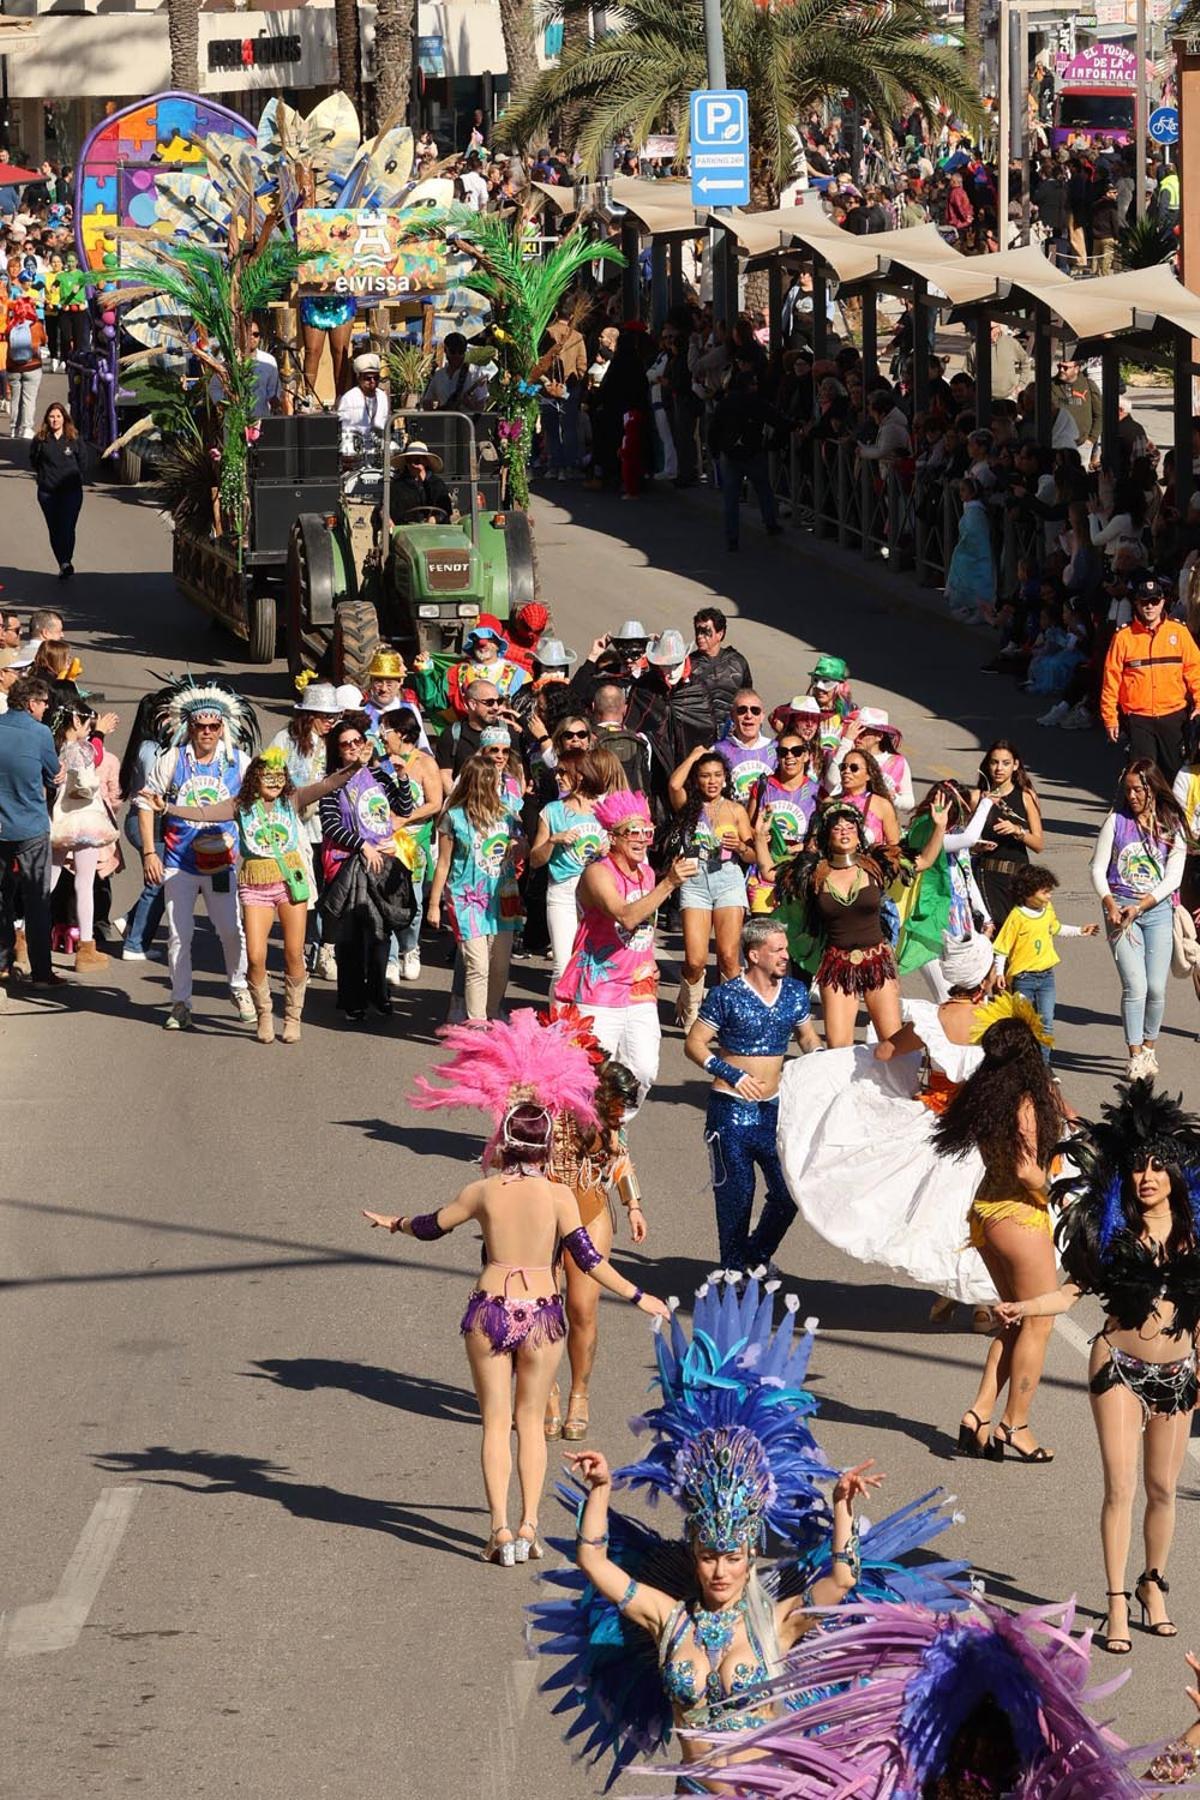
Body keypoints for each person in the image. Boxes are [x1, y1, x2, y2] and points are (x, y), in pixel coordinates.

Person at [364, 1012, 669, 1564]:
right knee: (531, 1424)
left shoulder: (483, 1190)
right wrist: (638, 1295)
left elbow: (431, 1226)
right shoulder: (557, 1197)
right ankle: (530, 1527)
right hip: (541, 1317)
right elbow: (588, 1259)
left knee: (494, 1425)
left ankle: (499, 1530)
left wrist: (394, 1223)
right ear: (547, 1142)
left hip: (490, 1312)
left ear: (504, 1142)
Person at [997, 1082, 1200, 1656]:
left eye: (1159, 1168)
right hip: (1118, 1365)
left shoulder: (1196, 1234)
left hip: (1179, 1373)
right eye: (1139, 1168)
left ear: (1176, 1175)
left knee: (1162, 1488)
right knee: (1121, 1487)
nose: (1148, 1177)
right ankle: (1115, 1599)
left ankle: (1151, 1584)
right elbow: (1067, 1296)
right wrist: (1022, 1307)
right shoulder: (1110, 1233)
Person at [933, 999, 1067, 1463]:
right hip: (1019, 1214)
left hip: (987, 1212)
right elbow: (1029, 1172)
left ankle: (979, 1414)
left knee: (1013, 1320)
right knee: (1039, 1321)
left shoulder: (988, 1097)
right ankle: (1017, 1424)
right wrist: (1058, 1197)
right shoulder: (1026, 1103)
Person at [155, 746, 356, 1043]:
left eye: (278, 776)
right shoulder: (241, 806)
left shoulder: (292, 799)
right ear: (255, 778)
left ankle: (292, 1017)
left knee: (292, 952)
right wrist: (168, 808)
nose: (274, 782)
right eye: (267, 776)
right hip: (254, 885)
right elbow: (203, 812)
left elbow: (328, 784)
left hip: (290, 882)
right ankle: (264, 1014)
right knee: (256, 955)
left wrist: (356, 766)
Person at [685, 918, 819, 1270]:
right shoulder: (725, 996)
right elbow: (694, 1044)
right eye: (778, 950)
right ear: (754, 954)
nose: (786, 956)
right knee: (736, 1197)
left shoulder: (794, 992)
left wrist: (820, 1059)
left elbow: (806, 1037)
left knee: (788, 1195)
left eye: (785, 949)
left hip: (774, 1112)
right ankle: (732, 1271)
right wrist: (730, 1073)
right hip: (730, 1112)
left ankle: (755, 1256)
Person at [555, 789, 695, 1107]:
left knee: (643, 1070)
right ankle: (587, 1137)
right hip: (599, 986)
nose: (643, 839)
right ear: (614, 836)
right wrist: (669, 883)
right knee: (593, 1072)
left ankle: (615, 1128)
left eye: (648, 831)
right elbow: (627, 916)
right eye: (634, 832)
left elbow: (645, 925)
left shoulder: (645, 872)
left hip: (639, 985)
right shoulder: (597, 873)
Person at [137, 680, 258, 1033]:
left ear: (223, 728)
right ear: (189, 727)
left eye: (213, 727)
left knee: (231, 932)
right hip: (178, 862)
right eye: (200, 726)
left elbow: (258, 803)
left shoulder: (240, 761)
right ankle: (181, 1002)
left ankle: (238, 987)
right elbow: (146, 802)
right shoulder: (172, 759)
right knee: (179, 935)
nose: (207, 732)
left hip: (223, 863)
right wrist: (149, 852)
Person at [544, 1047, 645, 1443]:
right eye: (619, 1106)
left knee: (582, 1308)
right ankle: (546, 1391)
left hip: (588, 1208)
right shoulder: (550, 1113)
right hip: (544, 1218)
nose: (623, 1115)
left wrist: (633, 1205)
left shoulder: (612, 1123)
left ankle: (579, 1395)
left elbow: (620, 1160)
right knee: (544, 1310)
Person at [1091, 759, 1188, 1080]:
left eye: (1138, 789)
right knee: (1135, 985)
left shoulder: (1171, 824)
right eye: (1128, 789)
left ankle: (1149, 1049)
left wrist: (1143, 906)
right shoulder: (1115, 822)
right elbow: (1097, 868)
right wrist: (1110, 904)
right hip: (1120, 910)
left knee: (1157, 988)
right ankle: (1133, 1055)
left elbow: (1173, 878)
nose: (1132, 796)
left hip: (1156, 910)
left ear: (1153, 788)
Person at [318, 716, 415, 1024]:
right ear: (337, 750)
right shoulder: (332, 782)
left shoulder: (379, 775)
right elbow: (330, 824)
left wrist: (401, 778)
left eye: (357, 741)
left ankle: (378, 992)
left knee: (380, 934)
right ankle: (351, 999)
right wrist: (362, 845)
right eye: (346, 744)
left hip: (381, 862)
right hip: (347, 863)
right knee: (350, 938)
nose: (353, 748)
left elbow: (403, 808)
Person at [427, 742, 525, 1022]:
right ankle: (477, 1023)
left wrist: (520, 845)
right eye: (488, 781)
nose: (494, 786)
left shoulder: (507, 815)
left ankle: (493, 1013)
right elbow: (444, 863)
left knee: (500, 966)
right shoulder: (453, 818)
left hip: (503, 897)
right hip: (467, 897)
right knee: (477, 965)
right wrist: (434, 904)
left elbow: (524, 848)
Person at [667, 747, 755, 1028]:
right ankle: (690, 1004)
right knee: (695, 960)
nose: (712, 781)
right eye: (705, 776)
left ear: (726, 778)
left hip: (727, 880)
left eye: (717, 775)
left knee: (729, 957)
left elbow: (753, 853)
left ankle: (728, 1014)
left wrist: (740, 846)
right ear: (697, 779)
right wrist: (693, 757)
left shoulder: (735, 809)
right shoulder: (687, 805)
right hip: (694, 881)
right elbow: (673, 784)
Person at [269, 681, 342, 980]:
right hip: (297, 829)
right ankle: (302, 950)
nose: (331, 722)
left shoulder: (337, 741)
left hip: (331, 828)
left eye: (334, 717)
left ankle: (326, 949)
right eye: (326, 716)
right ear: (308, 714)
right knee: (302, 893)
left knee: (331, 893)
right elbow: (267, 776)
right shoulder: (284, 740)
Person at [991, 863, 1099, 1060]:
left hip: (1046, 977)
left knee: (1046, 1022)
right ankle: (1020, 1062)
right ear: (1028, 893)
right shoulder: (1016, 917)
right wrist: (999, 973)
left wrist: (1080, 931)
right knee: (1022, 1023)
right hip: (1024, 979)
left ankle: (1043, 1065)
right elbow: (1002, 948)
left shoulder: (1047, 909)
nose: (1049, 896)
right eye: (1045, 892)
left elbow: (1056, 928)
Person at [529, 746, 618, 982]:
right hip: (562, 893)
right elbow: (535, 860)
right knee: (562, 967)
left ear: (580, 774)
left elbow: (626, 851)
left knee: (594, 964)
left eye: (562, 772)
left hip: (596, 892)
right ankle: (560, 1019)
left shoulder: (604, 810)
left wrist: (609, 850)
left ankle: (587, 1017)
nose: (557, 777)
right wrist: (552, 841)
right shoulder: (552, 811)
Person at [1100, 577, 1200, 781]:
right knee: (1143, 778)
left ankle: (1172, 814)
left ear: (1163, 602)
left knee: (1176, 778)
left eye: (1154, 601)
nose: (1150, 606)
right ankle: (1146, 813)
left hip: (1174, 717)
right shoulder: (1123, 637)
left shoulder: (1179, 633)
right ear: (1136, 603)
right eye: (1144, 601)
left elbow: (1195, 672)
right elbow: (1111, 680)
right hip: (1139, 719)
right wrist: (1110, 718)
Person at [47, 691, 117, 973]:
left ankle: (23, 933)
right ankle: (86, 948)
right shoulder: (78, 748)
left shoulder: (52, 745)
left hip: (61, 819)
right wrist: (99, 734)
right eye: (87, 724)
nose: (89, 731)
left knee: (48, 879)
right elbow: (95, 757)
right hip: (84, 820)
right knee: (84, 882)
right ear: (75, 720)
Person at [0, 675, 60, 988]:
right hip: (30, 827)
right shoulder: (40, 734)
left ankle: (3, 963)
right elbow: (54, 773)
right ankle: (41, 972)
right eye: (44, 703)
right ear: (30, 703)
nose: (46, 709)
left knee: (1, 898)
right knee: (37, 900)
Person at [378, 703, 442, 984]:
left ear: (402, 733)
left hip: (414, 842)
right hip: (385, 842)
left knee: (413, 903)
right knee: (386, 902)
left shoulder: (425, 763)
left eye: (386, 730)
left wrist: (405, 819)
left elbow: (435, 803)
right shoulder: (380, 762)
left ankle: (409, 948)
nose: (381, 735)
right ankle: (390, 957)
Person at [708, 361, 784, 552]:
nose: (756, 386)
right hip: (752, 453)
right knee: (763, 489)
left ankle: (732, 537)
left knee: (731, 498)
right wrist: (790, 428)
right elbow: (776, 419)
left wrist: (715, 450)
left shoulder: (726, 403)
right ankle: (770, 523)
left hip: (730, 453)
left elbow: (714, 427)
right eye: (754, 383)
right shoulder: (756, 402)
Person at [968, 739, 1045, 929]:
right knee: (992, 933)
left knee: (1019, 936)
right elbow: (963, 838)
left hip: (1019, 878)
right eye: (994, 762)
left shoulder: (1026, 796)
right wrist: (976, 847)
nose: (999, 768)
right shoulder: (977, 797)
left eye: (1005, 763)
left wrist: (1017, 831)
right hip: (987, 876)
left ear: (1016, 765)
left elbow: (1038, 844)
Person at [29, 401, 86, 578]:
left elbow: (82, 461)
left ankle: (66, 559)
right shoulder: (40, 440)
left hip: (71, 492)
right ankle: (63, 562)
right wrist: (44, 477)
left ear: (64, 419)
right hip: (48, 493)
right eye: (52, 416)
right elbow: (34, 461)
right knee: (55, 529)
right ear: (47, 418)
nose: (55, 420)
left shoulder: (74, 438)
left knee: (68, 527)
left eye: (58, 417)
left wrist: (75, 478)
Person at [826, 708, 914, 814]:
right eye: (857, 731)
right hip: (848, 822)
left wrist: (894, 798)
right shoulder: (846, 754)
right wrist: (847, 740)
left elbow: (909, 802)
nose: (857, 737)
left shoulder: (897, 762)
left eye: (864, 733)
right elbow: (832, 781)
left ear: (879, 736)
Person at [822, 746, 901, 849]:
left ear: (868, 775)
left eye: (854, 768)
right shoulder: (831, 803)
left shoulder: (882, 805)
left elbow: (894, 846)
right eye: (843, 767)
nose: (847, 771)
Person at [690, 607, 753, 728]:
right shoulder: (688, 665)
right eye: (697, 631)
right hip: (700, 734)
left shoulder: (738, 662)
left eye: (705, 631)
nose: (699, 636)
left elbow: (748, 699)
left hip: (733, 734)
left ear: (720, 634)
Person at [712, 689, 776, 807]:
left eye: (755, 711)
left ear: (762, 717)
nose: (749, 715)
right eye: (742, 710)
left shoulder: (777, 749)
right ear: (732, 716)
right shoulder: (717, 751)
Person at [945, 478, 996, 624]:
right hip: (967, 552)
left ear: (973, 493)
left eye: (963, 490)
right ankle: (969, 607)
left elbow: (976, 534)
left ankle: (981, 610)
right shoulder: (970, 509)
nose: (960, 493)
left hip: (975, 553)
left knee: (977, 581)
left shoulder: (975, 512)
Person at [421, 330, 488, 412]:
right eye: (453, 352)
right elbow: (427, 402)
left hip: (467, 423)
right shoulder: (439, 375)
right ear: (445, 350)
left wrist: (468, 403)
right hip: (443, 422)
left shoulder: (475, 373)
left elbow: (481, 408)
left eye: (461, 352)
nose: (457, 355)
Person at [388, 440, 452, 526]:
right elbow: (385, 508)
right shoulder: (397, 486)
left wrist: (435, 518)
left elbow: (446, 509)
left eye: (417, 460)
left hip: (435, 532)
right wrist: (387, 520)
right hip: (406, 531)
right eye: (409, 460)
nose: (413, 465)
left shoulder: (437, 484)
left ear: (426, 461)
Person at [336, 351, 388, 454]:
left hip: (378, 448)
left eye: (376, 378)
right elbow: (343, 428)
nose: (372, 381)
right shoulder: (349, 398)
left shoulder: (382, 396)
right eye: (368, 378)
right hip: (356, 450)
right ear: (358, 378)